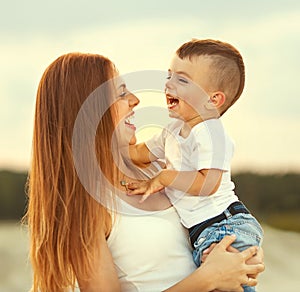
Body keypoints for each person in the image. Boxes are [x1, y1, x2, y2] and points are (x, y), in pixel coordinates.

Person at [24, 52, 264, 292]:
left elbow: (217, 220)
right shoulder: (87, 205)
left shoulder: (161, 168)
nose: (135, 100)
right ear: (87, 111)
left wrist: (244, 255)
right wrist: (208, 278)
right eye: (120, 94)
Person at [127, 39, 264, 291]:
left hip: (224, 225)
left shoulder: (211, 133)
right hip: (203, 231)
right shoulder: (172, 131)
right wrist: (112, 136)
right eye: (169, 76)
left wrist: (165, 177)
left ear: (213, 100)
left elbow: (207, 183)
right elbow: (138, 154)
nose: (168, 84)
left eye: (182, 80)